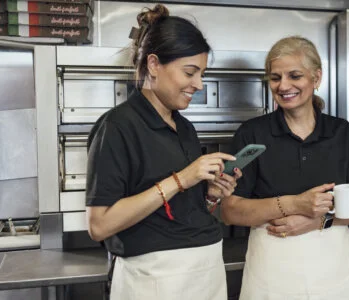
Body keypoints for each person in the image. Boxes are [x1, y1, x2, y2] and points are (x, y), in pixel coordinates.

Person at [84, 4, 241, 300]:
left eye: (202, 74)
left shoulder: (185, 128)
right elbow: (99, 224)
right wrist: (181, 178)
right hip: (155, 281)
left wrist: (210, 194)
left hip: (205, 272)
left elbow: (181, 211)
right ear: (154, 65)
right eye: (190, 72)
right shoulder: (117, 126)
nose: (199, 84)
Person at [224, 36, 349, 299]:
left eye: (294, 75)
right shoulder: (252, 134)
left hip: (335, 270)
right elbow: (230, 210)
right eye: (275, 78)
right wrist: (296, 204)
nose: (284, 86)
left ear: (316, 78)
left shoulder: (341, 133)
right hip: (272, 271)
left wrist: (318, 221)